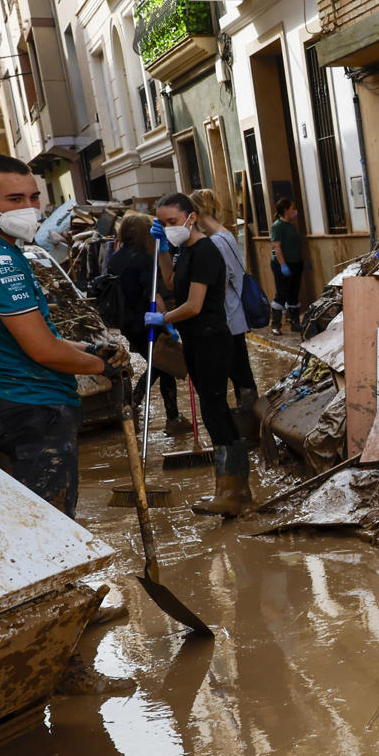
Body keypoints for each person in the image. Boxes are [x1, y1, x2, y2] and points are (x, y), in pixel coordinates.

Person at [0, 154, 126, 515]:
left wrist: (89, 347)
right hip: (31, 407)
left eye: (33, 197)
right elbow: (43, 349)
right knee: (53, 532)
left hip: (16, 404)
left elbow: (32, 335)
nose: (29, 208)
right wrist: (100, 366)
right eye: (14, 200)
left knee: (39, 524)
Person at [150, 193, 252, 516]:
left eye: (172, 222)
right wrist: (164, 251)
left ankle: (233, 491)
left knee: (216, 411)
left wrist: (163, 318)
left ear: (191, 217)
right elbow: (170, 281)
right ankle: (232, 488)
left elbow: (194, 305)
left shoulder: (207, 251)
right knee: (212, 411)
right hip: (194, 340)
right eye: (162, 223)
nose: (168, 228)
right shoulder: (184, 252)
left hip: (211, 339)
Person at [107, 212, 188, 436]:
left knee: (162, 365)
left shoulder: (115, 258)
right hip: (149, 320)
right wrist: (167, 321)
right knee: (163, 364)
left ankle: (172, 417)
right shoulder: (145, 259)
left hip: (128, 323)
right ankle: (137, 400)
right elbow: (154, 295)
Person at [187, 189, 258, 416]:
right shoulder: (225, 234)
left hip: (227, 317)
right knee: (241, 370)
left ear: (195, 213)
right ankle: (250, 421)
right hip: (233, 315)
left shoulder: (214, 242)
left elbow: (221, 283)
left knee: (238, 372)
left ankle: (249, 421)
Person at [269, 196, 305, 334]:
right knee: (282, 293)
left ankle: (295, 323)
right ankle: (276, 325)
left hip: (296, 263)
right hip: (283, 264)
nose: (295, 211)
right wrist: (283, 265)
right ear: (285, 210)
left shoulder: (291, 226)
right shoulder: (277, 226)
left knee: (294, 293)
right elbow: (277, 247)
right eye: (292, 208)